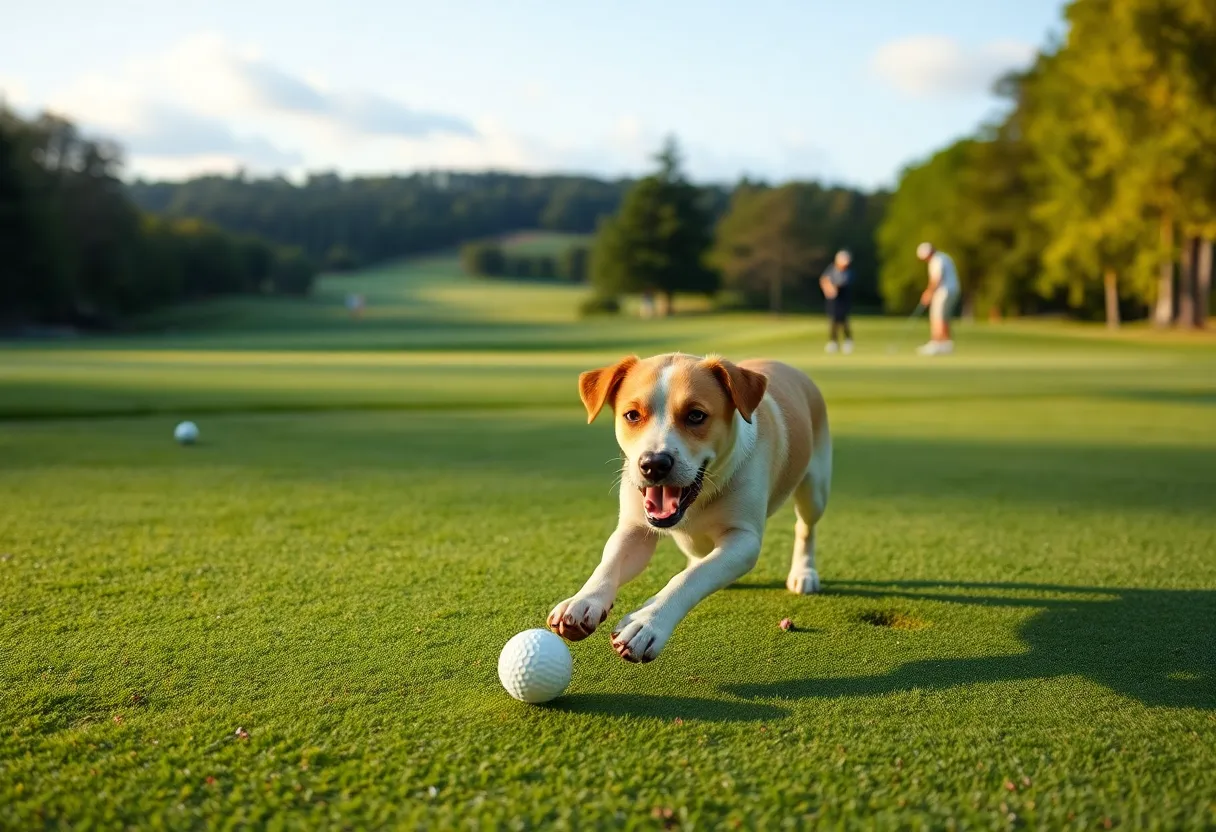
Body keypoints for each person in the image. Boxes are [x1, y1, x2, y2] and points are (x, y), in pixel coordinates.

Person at [915, 242, 960, 355]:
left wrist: (928, 293)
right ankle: (946, 344)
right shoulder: (944, 257)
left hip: (943, 291)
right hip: (953, 290)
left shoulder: (936, 260)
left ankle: (936, 343)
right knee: (944, 317)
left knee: (937, 317)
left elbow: (936, 279)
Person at [819, 249, 854, 354]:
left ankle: (848, 341)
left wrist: (832, 288)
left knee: (844, 321)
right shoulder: (831, 269)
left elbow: (841, 284)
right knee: (833, 320)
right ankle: (833, 342)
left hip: (843, 299)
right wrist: (828, 290)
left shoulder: (848, 272)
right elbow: (823, 279)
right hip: (833, 300)